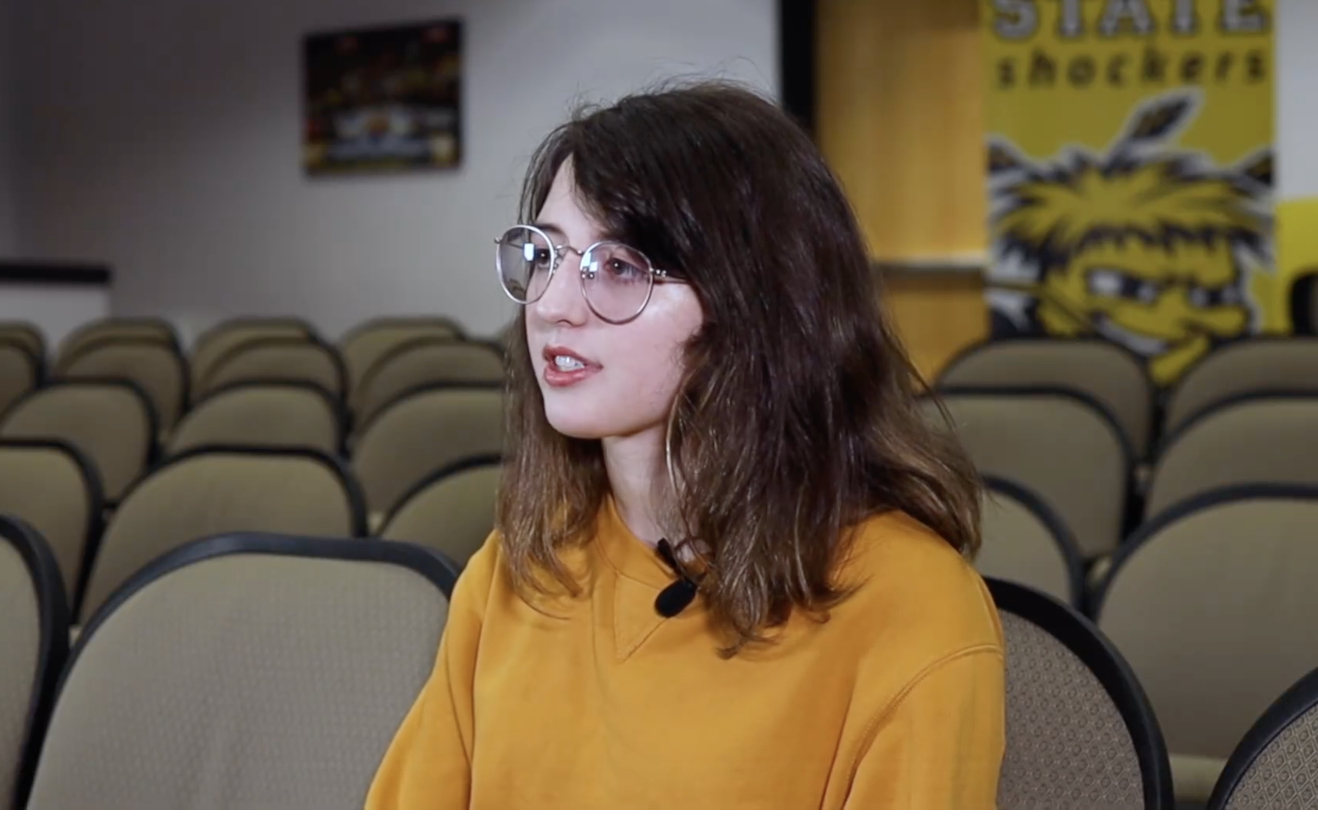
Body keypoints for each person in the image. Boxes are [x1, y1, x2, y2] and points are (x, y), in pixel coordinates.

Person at [365, 81, 1004, 810]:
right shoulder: (517, 568)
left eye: (621, 267)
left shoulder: (911, 607)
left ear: (757, 304)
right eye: (546, 256)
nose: (551, 306)